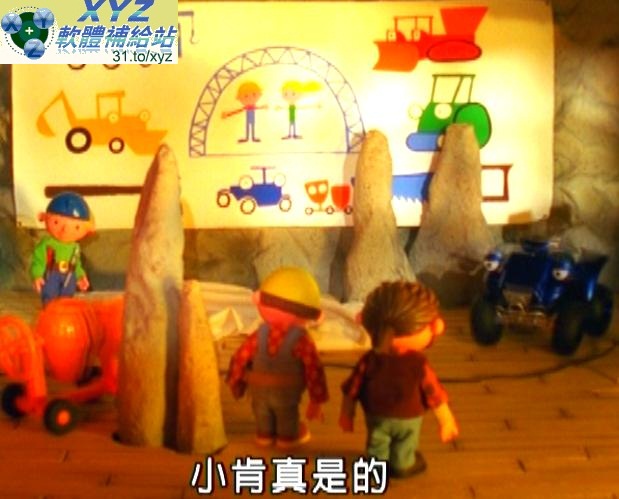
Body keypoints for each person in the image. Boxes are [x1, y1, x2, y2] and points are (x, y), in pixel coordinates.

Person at [339, 281, 459, 478]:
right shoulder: (419, 365)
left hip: (377, 415)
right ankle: (403, 464)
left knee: (377, 442)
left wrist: (346, 414)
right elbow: (434, 394)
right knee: (406, 442)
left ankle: (376, 467)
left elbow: (351, 390)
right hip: (409, 417)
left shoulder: (368, 361)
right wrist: (446, 420)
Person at [226, 267, 328, 449]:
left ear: (259, 301)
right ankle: (287, 437)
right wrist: (316, 399)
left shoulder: (258, 335)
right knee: (287, 415)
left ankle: (264, 434)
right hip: (286, 393)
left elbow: (240, 357)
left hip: (258, 390)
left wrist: (236, 382)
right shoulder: (302, 340)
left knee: (261, 411)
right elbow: (314, 368)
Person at [30, 192, 95, 306]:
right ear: (45, 218)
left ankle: (64, 312)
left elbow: (76, 264)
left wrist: (80, 276)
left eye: (76, 227)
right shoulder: (47, 244)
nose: (64, 229)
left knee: (67, 297)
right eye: (56, 222)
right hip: (51, 274)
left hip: (69, 275)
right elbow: (38, 260)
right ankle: (50, 311)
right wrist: (37, 275)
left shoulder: (75, 247)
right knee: (50, 295)